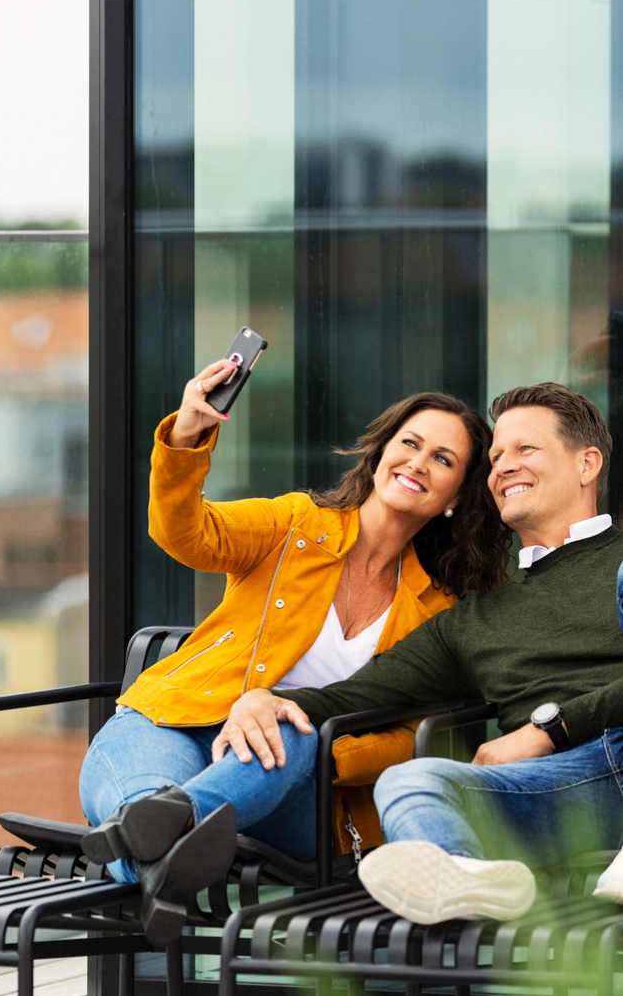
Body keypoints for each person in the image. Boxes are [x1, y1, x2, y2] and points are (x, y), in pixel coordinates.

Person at [79, 358, 510, 943]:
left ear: (456, 496)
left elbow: (412, 736)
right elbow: (186, 533)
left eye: (443, 459)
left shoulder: (436, 609)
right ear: (380, 453)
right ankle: (159, 855)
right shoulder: (294, 524)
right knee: (147, 803)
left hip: (296, 783)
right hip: (175, 723)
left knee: (295, 726)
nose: (417, 462)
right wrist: (186, 435)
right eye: (409, 443)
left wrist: (327, 751)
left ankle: (154, 832)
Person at [221, 382, 623, 925]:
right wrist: (260, 700)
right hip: (562, 793)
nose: (503, 466)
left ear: (587, 464)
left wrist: (547, 729)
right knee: (410, 780)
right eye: (496, 457)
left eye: (525, 450)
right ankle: (469, 884)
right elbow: (358, 694)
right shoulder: (475, 615)